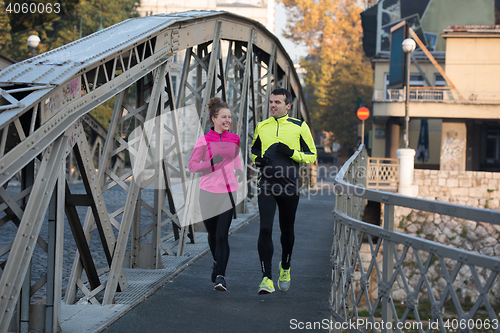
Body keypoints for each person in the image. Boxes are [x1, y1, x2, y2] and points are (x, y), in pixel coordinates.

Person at [251, 88, 317, 294]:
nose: (272, 105)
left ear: (288, 106)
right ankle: (266, 278)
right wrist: (257, 160)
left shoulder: (299, 126)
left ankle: (285, 267)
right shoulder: (262, 126)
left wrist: (292, 153)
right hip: (267, 185)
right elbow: (254, 150)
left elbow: (312, 155)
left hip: (289, 186)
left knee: (287, 231)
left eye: (277, 102)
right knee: (265, 229)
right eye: (271, 102)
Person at [188, 97, 243, 291]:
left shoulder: (234, 138)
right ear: (214, 119)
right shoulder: (203, 141)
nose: (228, 120)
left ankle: (221, 276)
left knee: (222, 235)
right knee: (212, 234)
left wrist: (240, 173)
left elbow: (237, 162)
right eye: (224, 117)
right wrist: (211, 163)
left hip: (227, 193)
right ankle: (215, 261)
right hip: (207, 193)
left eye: (229, 117)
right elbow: (192, 166)